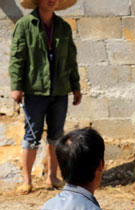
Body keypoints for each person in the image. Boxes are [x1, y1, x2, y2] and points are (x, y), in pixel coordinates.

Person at [9, 0, 82, 195]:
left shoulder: (63, 27)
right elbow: (17, 57)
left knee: (56, 136)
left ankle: (52, 177)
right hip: (35, 91)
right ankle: (27, 180)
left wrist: (75, 87)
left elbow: (70, 60)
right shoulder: (25, 25)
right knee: (31, 136)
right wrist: (16, 87)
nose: (52, 0)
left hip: (59, 90)